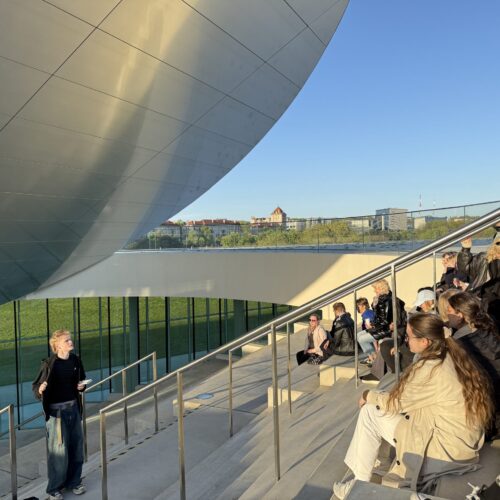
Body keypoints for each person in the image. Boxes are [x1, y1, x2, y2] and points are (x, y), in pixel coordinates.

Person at [332, 313, 493, 499]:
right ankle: (378, 465)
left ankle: (359, 485)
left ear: (424, 341)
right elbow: (407, 398)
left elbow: (396, 403)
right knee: (376, 406)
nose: (405, 340)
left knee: (370, 411)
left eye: (409, 336)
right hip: (457, 439)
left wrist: (367, 395)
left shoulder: (431, 368)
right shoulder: (450, 353)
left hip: (444, 447)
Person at [32, 330, 87, 500]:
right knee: (58, 453)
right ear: (57, 346)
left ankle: (74, 482)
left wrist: (82, 386)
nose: (70, 342)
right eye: (66, 340)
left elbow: (82, 380)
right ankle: (54, 488)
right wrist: (40, 390)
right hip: (57, 415)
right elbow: (36, 388)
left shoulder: (75, 360)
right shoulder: (49, 364)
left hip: (73, 410)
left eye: (70, 339)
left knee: (76, 448)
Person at [447, 292, 500, 440]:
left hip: (489, 409)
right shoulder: (489, 328)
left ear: (460, 315)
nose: (447, 316)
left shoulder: (460, 343)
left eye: (449, 311)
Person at [361, 279, 406, 381]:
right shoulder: (381, 299)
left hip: (395, 331)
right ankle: (375, 366)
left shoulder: (392, 301)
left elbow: (395, 320)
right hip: (386, 328)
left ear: (381, 288)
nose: (374, 291)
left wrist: (390, 325)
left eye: (376, 289)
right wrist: (375, 306)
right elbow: (380, 318)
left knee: (381, 342)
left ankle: (376, 371)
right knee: (361, 337)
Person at [457, 229, 500, 328]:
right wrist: (465, 249)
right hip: (480, 301)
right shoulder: (484, 258)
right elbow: (465, 267)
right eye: (497, 243)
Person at [355, 297, 377, 363]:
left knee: (361, 338)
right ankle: (371, 356)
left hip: (375, 331)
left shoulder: (367, 314)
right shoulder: (367, 312)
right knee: (358, 335)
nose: (357, 308)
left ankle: (373, 357)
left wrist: (376, 347)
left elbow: (370, 327)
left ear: (364, 306)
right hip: (372, 331)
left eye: (358, 306)